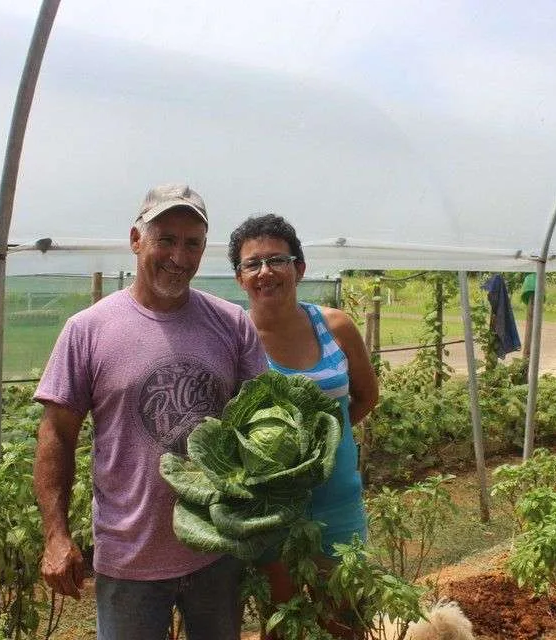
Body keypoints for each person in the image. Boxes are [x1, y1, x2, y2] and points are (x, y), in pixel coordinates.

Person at [33, 184, 267, 640]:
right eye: (166, 239)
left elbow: (262, 423)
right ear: (136, 240)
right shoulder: (88, 330)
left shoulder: (231, 323)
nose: (179, 255)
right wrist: (55, 535)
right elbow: (56, 436)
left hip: (217, 549)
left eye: (193, 242)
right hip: (129, 555)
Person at [228, 214, 379, 638]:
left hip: (339, 502)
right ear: (240, 279)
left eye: (277, 259)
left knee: (346, 621)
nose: (265, 272)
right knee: (283, 624)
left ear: (300, 267)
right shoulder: (235, 338)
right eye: (251, 265)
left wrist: (325, 445)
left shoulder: (336, 327)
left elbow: (366, 395)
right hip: (273, 511)